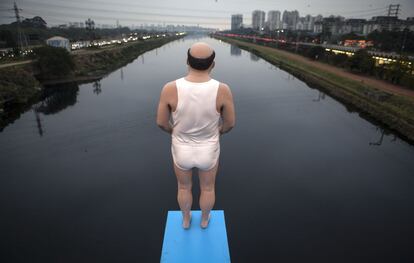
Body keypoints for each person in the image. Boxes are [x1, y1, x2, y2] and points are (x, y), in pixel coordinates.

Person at [156, 42, 236, 229]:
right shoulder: (223, 89)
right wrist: (219, 132)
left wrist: (173, 131)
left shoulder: (169, 88)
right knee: (208, 188)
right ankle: (205, 220)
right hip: (208, 149)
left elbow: (161, 122)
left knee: (183, 187)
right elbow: (230, 123)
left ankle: (185, 219)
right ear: (213, 64)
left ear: (187, 61)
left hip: (181, 148)